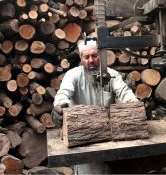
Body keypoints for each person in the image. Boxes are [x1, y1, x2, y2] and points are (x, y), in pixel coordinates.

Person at [52, 39, 138, 174]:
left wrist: (135, 106)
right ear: (81, 59)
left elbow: (124, 92)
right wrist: (60, 107)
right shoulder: (73, 75)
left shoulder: (111, 74)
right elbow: (63, 95)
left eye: (94, 55)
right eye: (86, 57)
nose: (91, 60)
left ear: (101, 55)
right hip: (84, 139)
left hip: (109, 137)